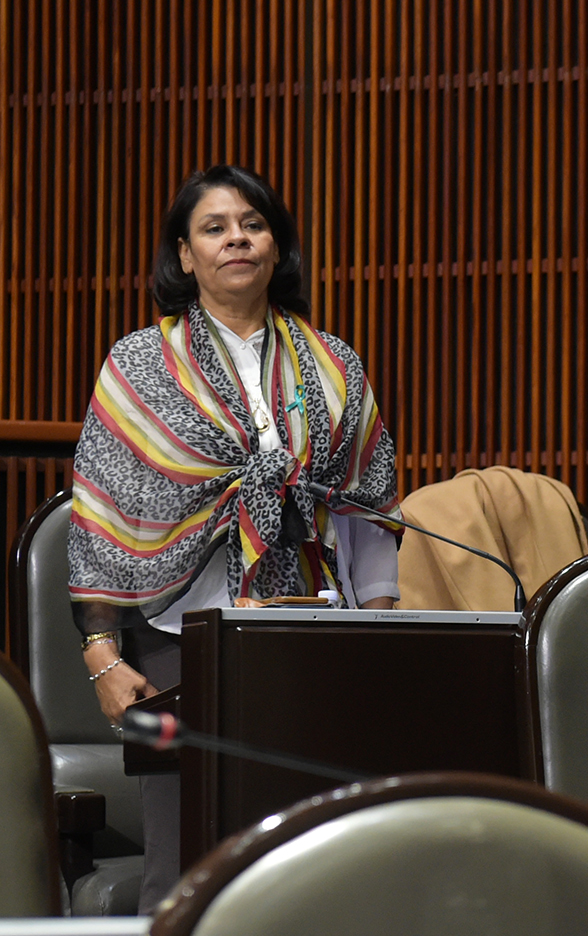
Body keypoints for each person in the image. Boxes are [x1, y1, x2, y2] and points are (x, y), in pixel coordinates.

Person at [68, 165, 402, 911]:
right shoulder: (138, 364)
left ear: (277, 245)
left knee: (312, 859)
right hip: (175, 637)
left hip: (312, 632)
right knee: (183, 860)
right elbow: (99, 517)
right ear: (184, 256)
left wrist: (378, 627)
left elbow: (366, 503)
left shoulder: (335, 363)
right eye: (214, 229)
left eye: (252, 225)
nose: (236, 240)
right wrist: (102, 657)